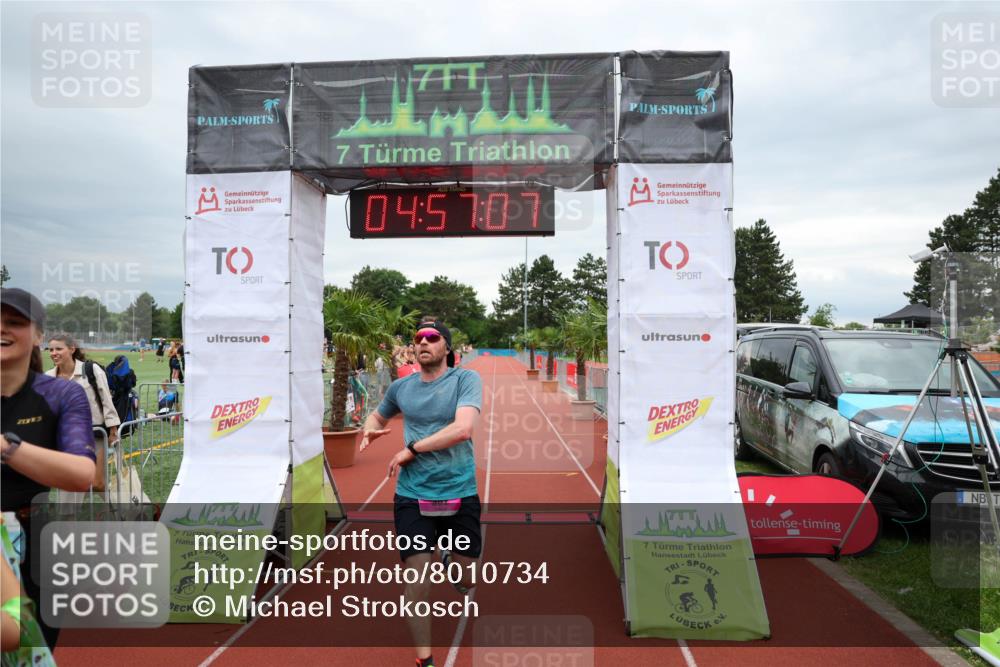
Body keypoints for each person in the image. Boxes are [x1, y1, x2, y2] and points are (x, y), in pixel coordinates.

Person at [359, 320, 482, 667]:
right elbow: (376, 416)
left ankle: (448, 559)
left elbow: (462, 429)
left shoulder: (465, 380)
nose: (423, 342)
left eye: (432, 337)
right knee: (417, 580)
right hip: (413, 493)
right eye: (418, 339)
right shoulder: (401, 388)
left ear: (447, 347)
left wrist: (411, 449)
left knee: (466, 579)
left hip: (459, 488)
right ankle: (424, 660)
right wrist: (371, 430)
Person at [1, 288, 96, 650]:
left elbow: (81, 473)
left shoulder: (61, 395)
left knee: (32, 652)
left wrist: (7, 447)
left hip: (38, 546)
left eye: (14, 322)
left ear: (39, 335)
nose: (2, 329)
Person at [46, 333, 120, 491]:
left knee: (98, 484)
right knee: (71, 484)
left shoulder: (91, 370)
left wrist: (113, 429)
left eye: (58, 348)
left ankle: (120, 511)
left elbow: (106, 400)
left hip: (95, 435)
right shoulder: (48, 377)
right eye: (50, 349)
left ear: (72, 349)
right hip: (66, 439)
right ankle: (69, 514)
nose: (53, 353)